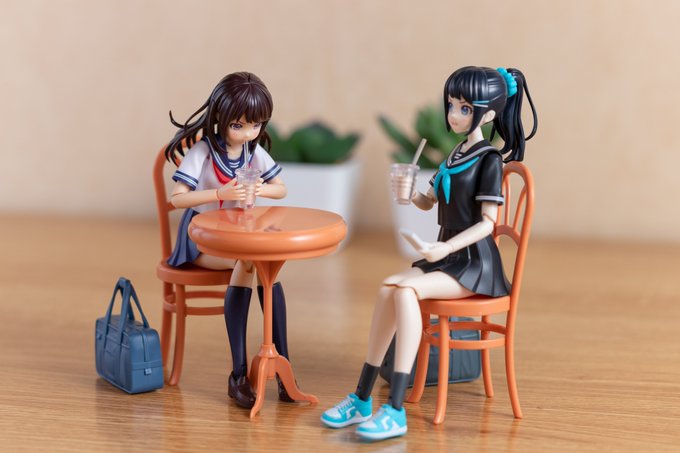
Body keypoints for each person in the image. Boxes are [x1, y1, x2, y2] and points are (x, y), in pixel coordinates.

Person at [321, 66, 537, 440]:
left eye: (465, 108)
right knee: (387, 287)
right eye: (451, 105)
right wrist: (409, 194)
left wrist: (446, 247)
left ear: (488, 114)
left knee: (406, 291)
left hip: (474, 264)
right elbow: (429, 199)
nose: (454, 114)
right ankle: (362, 397)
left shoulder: (489, 160)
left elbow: (488, 224)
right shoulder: (455, 153)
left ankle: (396, 409)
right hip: (447, 258)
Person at [165, 72, 293, 409]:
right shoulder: (204, 151)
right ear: (221, 117)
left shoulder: (253, 152)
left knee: (266, 264)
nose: (248, 133)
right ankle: (239, 373)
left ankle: (281, 364)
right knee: (252, 261)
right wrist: (220, 193)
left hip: (238, 234)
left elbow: (281, 189)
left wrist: (260, 188)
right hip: (201, 239)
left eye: (256, 125)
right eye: (239, 125)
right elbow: (176, 198)